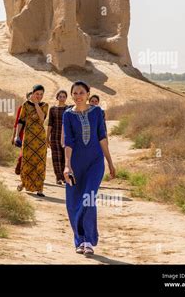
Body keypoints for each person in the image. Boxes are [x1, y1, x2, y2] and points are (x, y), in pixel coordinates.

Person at [62, 81, 116, 257]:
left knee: (88, 198)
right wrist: (67, 165)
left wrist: (110, 162)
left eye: (81, 93)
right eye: (75, 93)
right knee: (74, 201)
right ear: (72, 95)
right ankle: (80, 240)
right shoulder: (67, 115)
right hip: (76, 163)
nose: (78, 96)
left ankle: (89, 240)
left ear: (88, 93)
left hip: (95, 162)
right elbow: (68, 142)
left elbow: (102, 138)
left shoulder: (97, 113)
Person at [14, 84, 49, 197]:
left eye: (41, 94)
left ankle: (40, 188)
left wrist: (35, 103)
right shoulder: (25, 105)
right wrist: (16, 136)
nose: (39, 96)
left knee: (40, 162)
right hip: (28, 137)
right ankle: (24, 183)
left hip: (40, 139)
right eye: (37, 94)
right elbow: (21, 121)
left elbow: (42, 118)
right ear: (32, 93)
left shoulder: (45, 105)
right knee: (27, 161)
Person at [47, 90, 72, 185]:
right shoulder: (52, 109)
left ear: (66, 98)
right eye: (60, 96)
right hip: (54, 136)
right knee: (56, 157)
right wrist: (47, 137)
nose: (62, 98)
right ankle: (58, 177)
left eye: (64, 96)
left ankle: (65, 177)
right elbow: (50, 124)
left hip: (66, 136)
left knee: (64, 157)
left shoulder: (69, 108)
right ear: (57, 97)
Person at [11, 91, 32, 174]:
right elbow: (17, 122)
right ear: (27, 98)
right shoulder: (22, 107)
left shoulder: (38, 107)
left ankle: (26, 170)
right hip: (22, 132)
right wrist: (14, 136)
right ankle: (19, 164)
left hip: (34, 133)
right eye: (30, 97)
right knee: (24, 151)